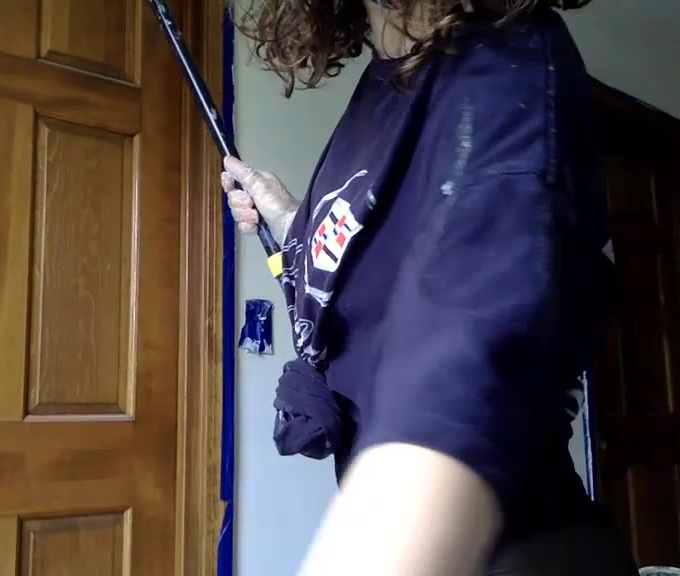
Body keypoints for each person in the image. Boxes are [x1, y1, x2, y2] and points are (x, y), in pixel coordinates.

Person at [222, 1, 637, 574]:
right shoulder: (375, 94)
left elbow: (464, 358)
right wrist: (294, 218)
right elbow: (363, 289)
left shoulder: (507, 49)